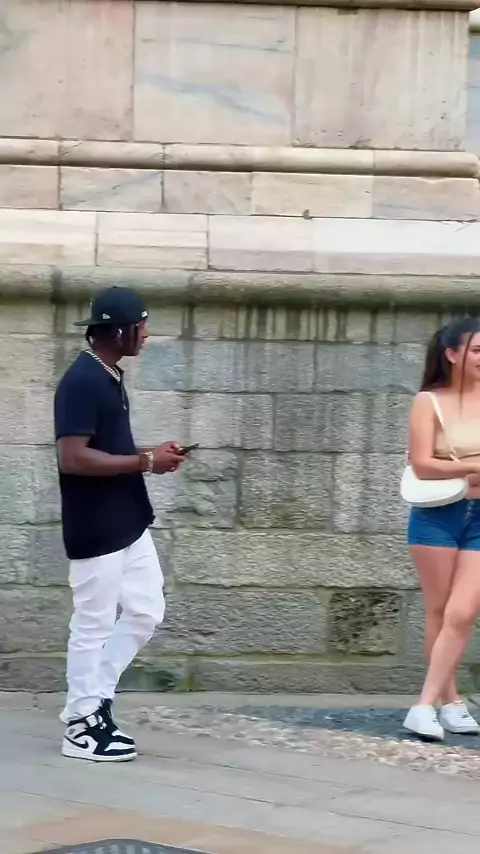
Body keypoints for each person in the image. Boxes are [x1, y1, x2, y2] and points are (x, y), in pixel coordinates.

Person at [54, 286, 186, 762]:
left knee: (146, 611)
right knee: (92, 623)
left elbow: (108, 450)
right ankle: (80, 725)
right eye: (141, 326)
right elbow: (73, 458)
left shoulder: (107, 375)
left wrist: (152, 454)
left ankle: (96, 700)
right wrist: (145, 462)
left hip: (128, 519)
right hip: (96, 525)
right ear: (119, 331)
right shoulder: (82, 381)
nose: (146, 334)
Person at [403, 316, 480, 740]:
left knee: (462, 612)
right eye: (477, 350)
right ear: (451, 354)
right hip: (438, 515)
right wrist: (472, 467)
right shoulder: (428, 402)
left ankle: (423, 706)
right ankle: (449, 703)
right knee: (439, 611)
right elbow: (421, 464)